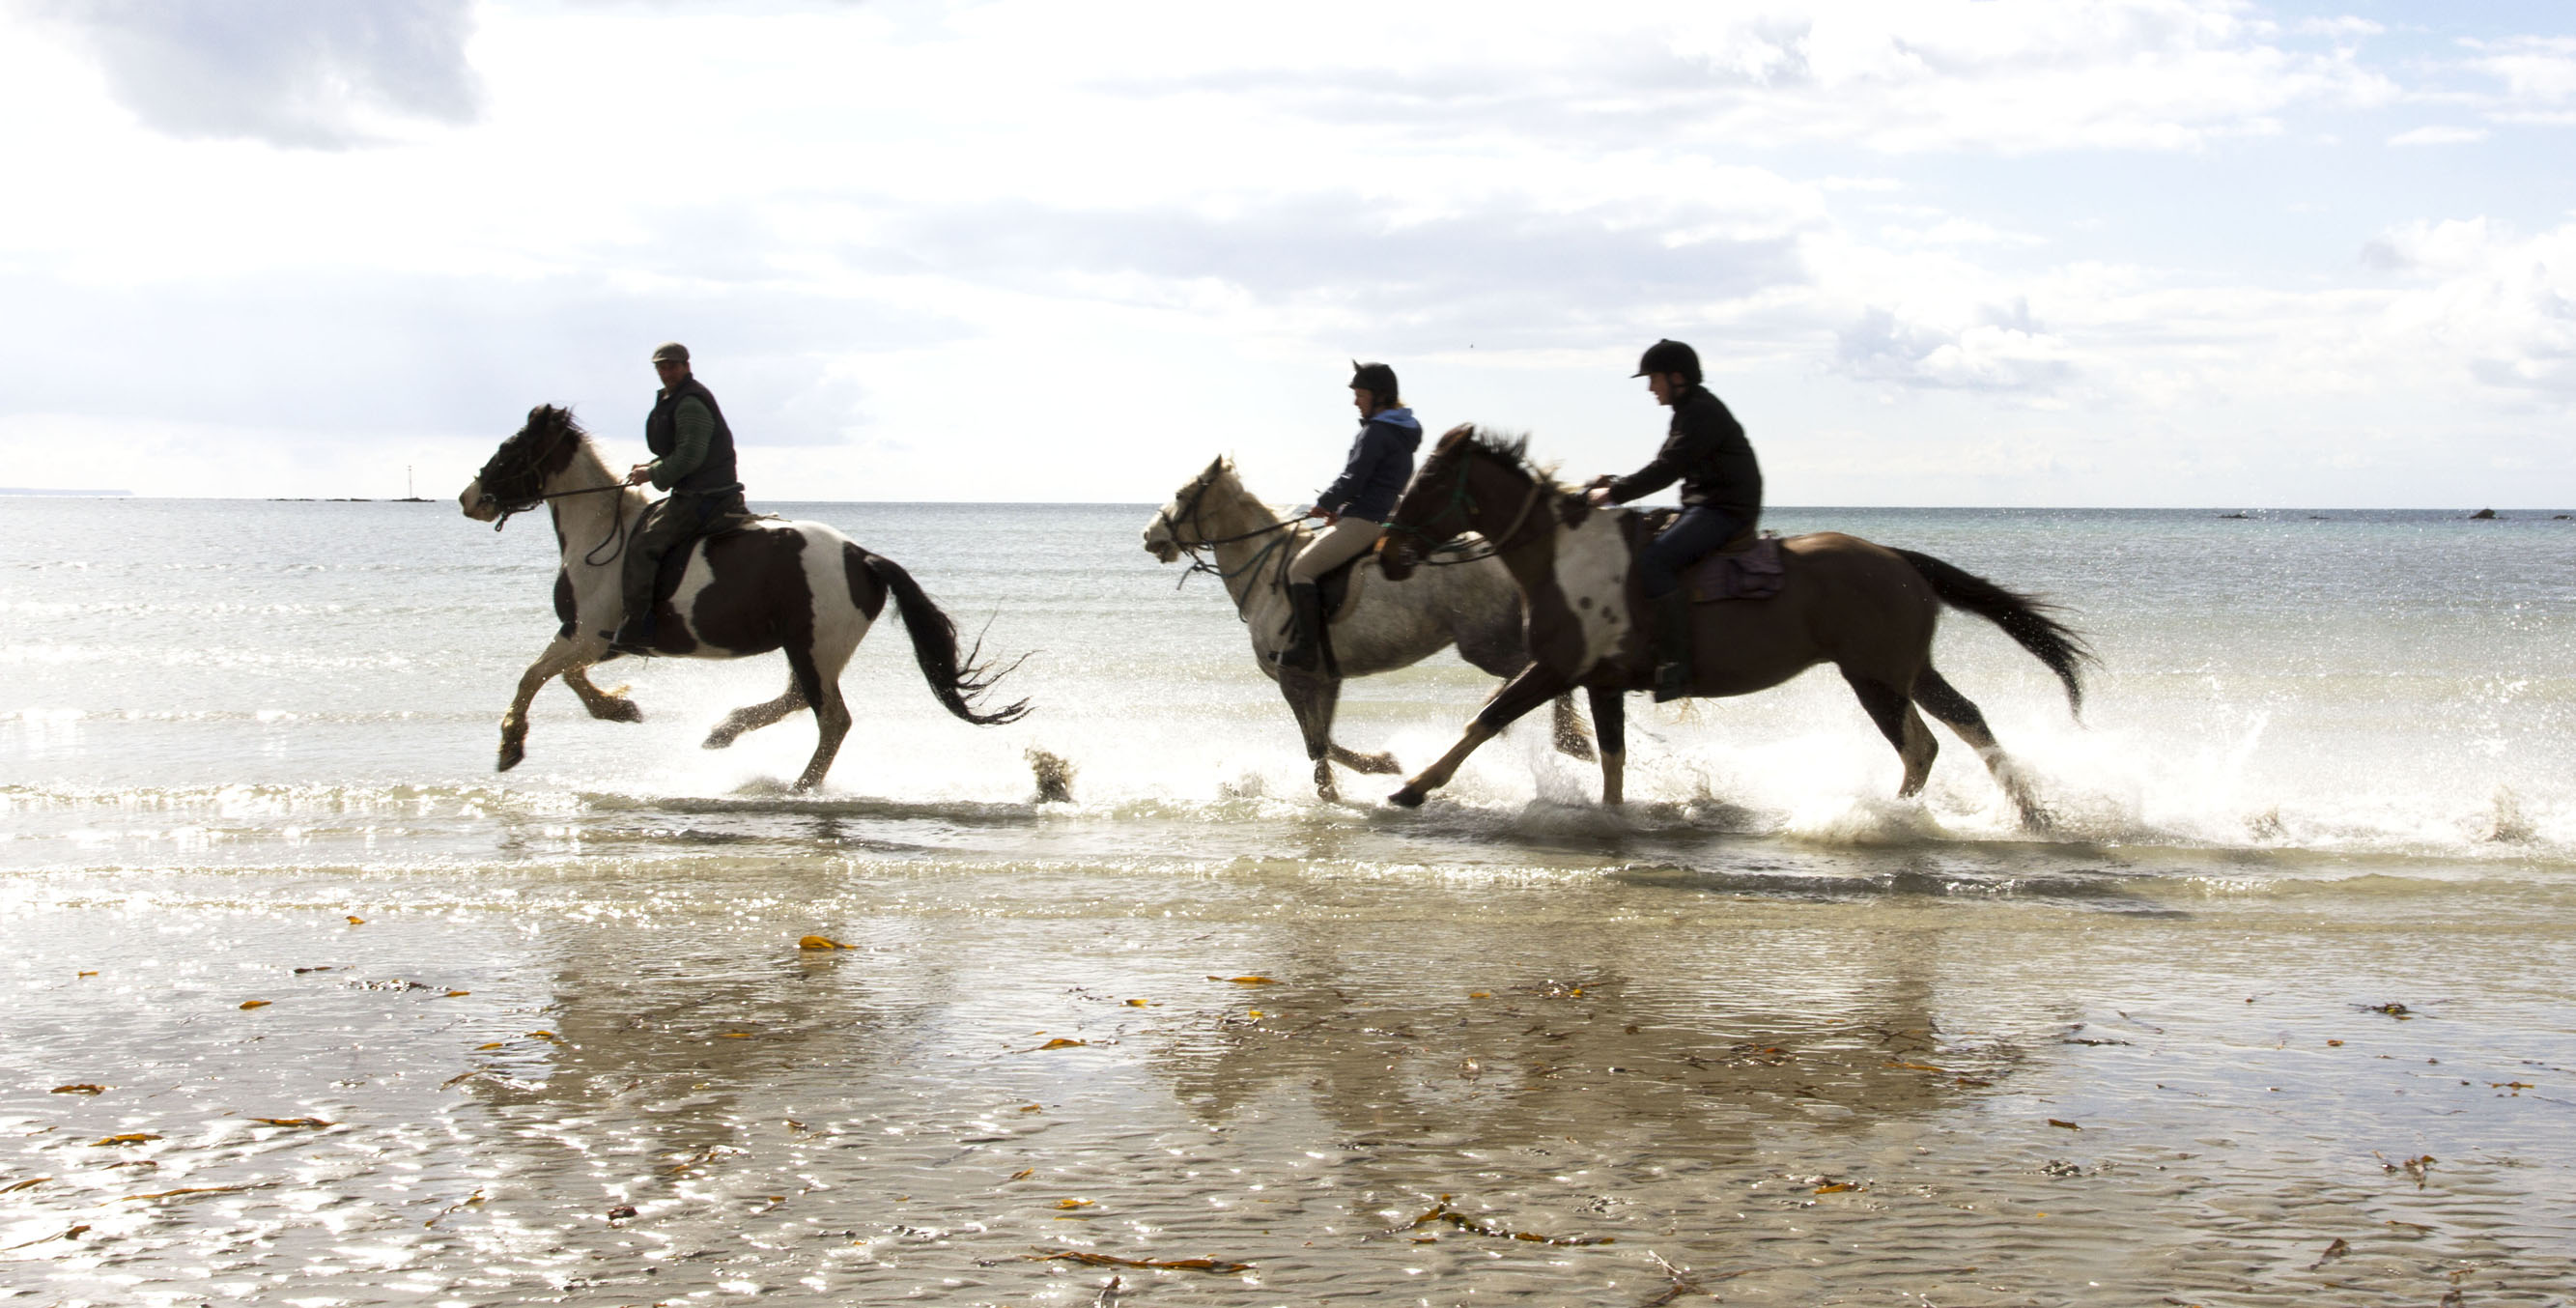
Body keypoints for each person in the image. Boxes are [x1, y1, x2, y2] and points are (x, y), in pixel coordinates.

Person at [1583, 338, 1762, 702]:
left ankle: (1676, 665)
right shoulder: (1689, 411)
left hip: (1725, 510)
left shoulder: (1700, 412)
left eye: (1654, 378)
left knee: (1654, 562)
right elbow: (1668, 463)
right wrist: (1615, 484)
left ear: (1676, 377)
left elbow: (1668, 468)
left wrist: (1613, 495)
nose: (1650, 388)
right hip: (1707, 505)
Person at [1274, 361, 1422, 672]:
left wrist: (1325, 503)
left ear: (1380, 396)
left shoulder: (1376, 432)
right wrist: (1340, 511)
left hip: (1365, 521)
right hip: (1379, 517)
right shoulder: (1399, 433)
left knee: (1299, 570)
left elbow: (1353, 478)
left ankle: (1306, 648)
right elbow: (1374, 484)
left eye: (1360, 394)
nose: (1355, 401)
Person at [607, 342, 749, 652]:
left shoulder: (690, 403)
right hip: (692, 491)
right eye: (661, 367)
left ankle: (638, 625)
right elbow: (678, 452)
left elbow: (690, 456)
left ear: (686, 365)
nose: (666, 372)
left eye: (672, 366)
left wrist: (652, 474)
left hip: (705, 495)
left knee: (643, 545)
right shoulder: (672, 399)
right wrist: (652, 466)